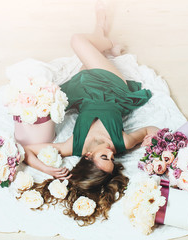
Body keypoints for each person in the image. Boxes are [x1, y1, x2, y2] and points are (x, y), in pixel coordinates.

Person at [23, 1, 159, 226]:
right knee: (78, 41)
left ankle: (107, 46)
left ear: (87, 157)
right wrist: (152, 137)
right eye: (112, 159)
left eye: (104, 156)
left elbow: (26, 150)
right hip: (112, 87)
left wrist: (46, 168)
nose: (111, 152)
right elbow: (149, 130)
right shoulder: (122, 141)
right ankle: (105, 37)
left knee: (82, 64)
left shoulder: (73, 146)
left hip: (84, 92)